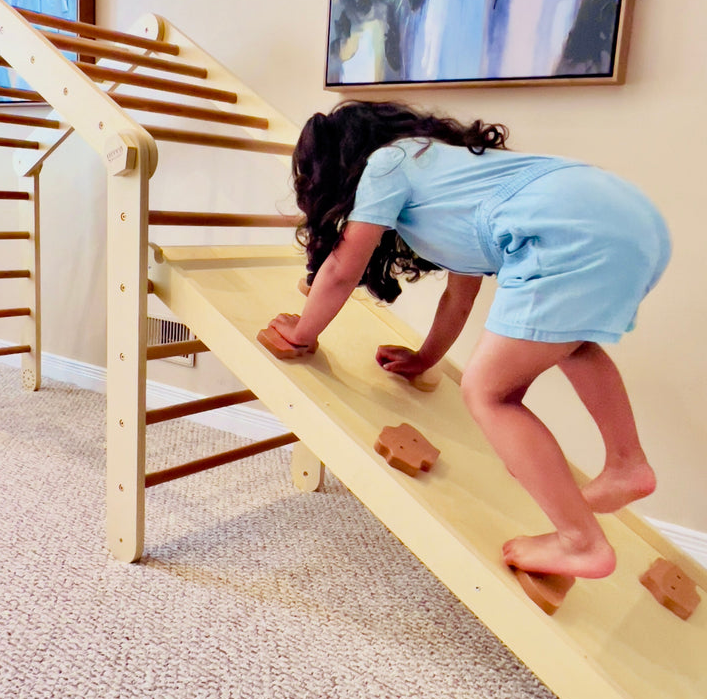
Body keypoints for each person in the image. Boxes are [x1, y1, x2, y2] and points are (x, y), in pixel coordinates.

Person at [268, 102, 671, 581]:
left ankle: (580, 544)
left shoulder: (388, 161)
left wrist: (302, 333)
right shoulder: (452, 171)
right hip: (631, 221)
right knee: (573, 343)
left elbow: (342, 267)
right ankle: (627, 464)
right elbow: (460, 298)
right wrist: (424, 358)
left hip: (568, 234)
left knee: (488, 393)